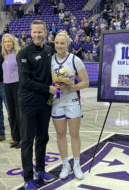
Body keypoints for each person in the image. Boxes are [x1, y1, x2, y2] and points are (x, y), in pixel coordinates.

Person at [16, 20, 58, 190]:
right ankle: (28, 178)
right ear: (30, 33)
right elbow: (25, 81)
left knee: (43, 138)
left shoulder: (49, 50)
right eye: (35, 32)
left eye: (40, 32)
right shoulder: (24, 53)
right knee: (27, 141)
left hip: (45, 102)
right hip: (28, 103)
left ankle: (40, 170)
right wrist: (47, 88)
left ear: (46, 32)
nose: (38, 35)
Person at [51, 31, 89, 180]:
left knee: (74, 134)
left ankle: (77, 165)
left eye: (62, 43)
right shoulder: (50, 60)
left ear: (68, 44)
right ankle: (65, 164)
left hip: (72, 100)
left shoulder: (75, 60)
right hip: (57, 101)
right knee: (60, 135)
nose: (59, 46)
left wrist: (70, 87)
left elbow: (85, 83)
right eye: (57, 43)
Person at [1, 34, 21, 148]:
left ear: (13, 42)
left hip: (17, 85)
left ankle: (23, 139)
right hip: (7, 86)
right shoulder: (5, 55)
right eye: (5, 42)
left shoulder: (18, 54)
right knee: (12, 113)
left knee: (19, 113)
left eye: (9, 41)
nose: (7, 44)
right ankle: (16, 138)